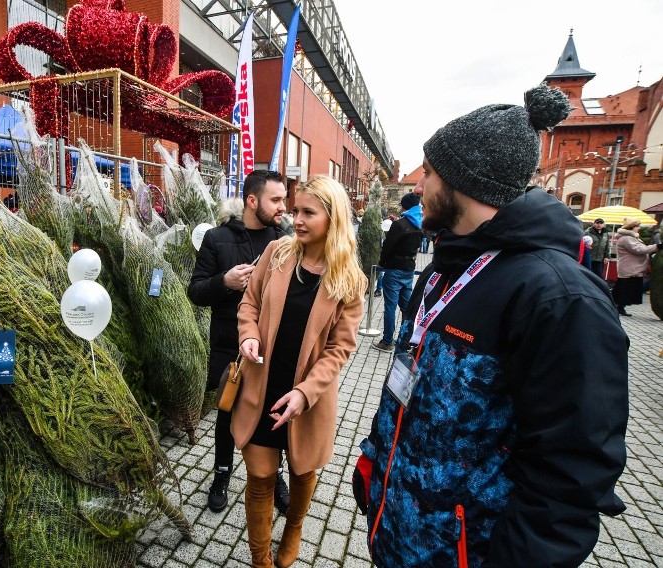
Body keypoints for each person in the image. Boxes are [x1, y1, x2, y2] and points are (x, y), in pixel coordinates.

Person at [357, 85, 629, 567]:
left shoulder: (560, 299)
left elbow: (569, 478)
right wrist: (375, 464)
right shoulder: (446, 266)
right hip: (398, 530)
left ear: (465, 182)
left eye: (430, 174)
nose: (419, 187)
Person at [234, 176, 365, 568]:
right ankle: (261, 560)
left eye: (308, 212)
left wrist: (306, 392)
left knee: (302, 470)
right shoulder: (277, 252)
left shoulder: (350, 280)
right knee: (259, 478)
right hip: (262, 385)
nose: (297, 219)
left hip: (306, 397)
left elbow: (340, 349)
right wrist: (248, 335)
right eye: (295, 211)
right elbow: (249, 303)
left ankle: (293, 528)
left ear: (334, 217)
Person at [187, 169, 291, 514]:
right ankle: (221, 474)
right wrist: (224, 282)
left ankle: (273, 474)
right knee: (227, 414)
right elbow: (195, 291)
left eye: (283, 200)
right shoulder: (217, 239)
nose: (282, 207)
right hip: (228, 347)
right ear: (252, 201)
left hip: (272, 349)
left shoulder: (286, 242)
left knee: (271, 412)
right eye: (276, 200)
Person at [371, 193, 422, 352]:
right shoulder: (420, 224)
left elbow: (388, 246)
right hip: (409, 269)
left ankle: (387, 341)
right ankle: (405, 339)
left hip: (394, 269)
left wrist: (382, 262)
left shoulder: (399, 224)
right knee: (407, 308)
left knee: (390, 307)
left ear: (405, 205)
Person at [611, 218, 661, 316]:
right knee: (626, 289)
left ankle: (619, 306)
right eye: (637, 226)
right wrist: (656, 247)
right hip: (630, 269)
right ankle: (618, 307)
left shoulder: (631, 237)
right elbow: (639, 249)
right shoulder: (627, 238)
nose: (639, 228)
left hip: (631, 268)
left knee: (624, 289)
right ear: (631, 227)